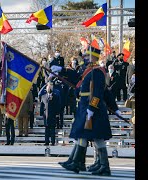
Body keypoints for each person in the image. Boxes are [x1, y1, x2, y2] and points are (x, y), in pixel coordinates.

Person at [59, 46, 121, 176]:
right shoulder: (89, 71)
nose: (85, 58)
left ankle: (96, 164)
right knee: (87, 135)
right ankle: (86, 163)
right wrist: (63, 72)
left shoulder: (97, 72)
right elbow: (80, 86)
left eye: (87, 56)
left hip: (93, 109)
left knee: (94, 136)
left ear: (93, 57)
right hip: (84, 107)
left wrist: (92, 108)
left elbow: (99, 92)